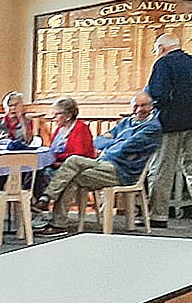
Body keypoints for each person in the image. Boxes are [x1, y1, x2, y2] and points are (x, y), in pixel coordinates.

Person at [34, 92, 163, 235]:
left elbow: (124, 148)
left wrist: (114, 142)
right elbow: (99, 141)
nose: (139, 109)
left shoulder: (152, 128)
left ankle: (52, 213)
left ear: (151, 106)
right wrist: (117, 142)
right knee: (71, 166)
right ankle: (55, 220)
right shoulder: (127, 122)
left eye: (143, 105)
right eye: (136, 106)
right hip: (104, 163)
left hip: (123, 171)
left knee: (70, 170)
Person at [146, 33, 192, 231]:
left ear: (161, 48)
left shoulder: (163, 64)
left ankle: (158, 215)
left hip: (171, 123)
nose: (155, 54)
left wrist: (155, 108)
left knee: (162, 168)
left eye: (155, 50)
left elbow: (158, 93)